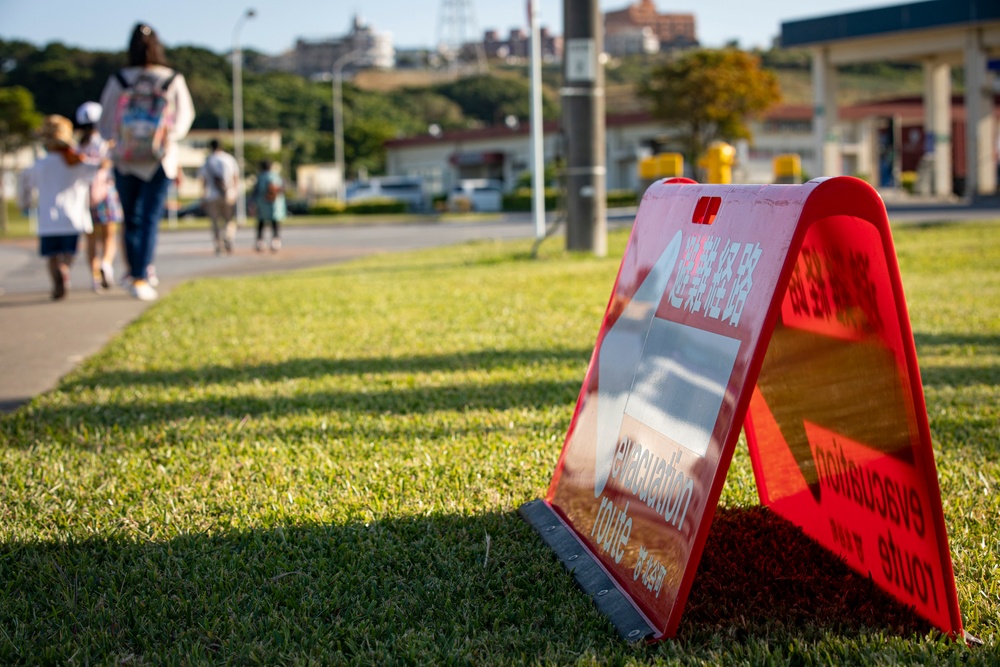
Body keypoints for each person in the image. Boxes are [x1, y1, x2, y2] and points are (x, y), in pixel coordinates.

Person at [98, 23, 194, 301]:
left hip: (126, 159)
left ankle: (134, 272)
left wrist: (120, 139)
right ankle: (143, 273)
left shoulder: (120, 79)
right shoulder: (171, 78)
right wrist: (166, 138)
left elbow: (105, 122)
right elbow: (185, 118)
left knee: (132, 219)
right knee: (150, 219)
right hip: (159, 158)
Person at [18, 115, 104, 300]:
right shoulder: (77, 163)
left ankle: (58, 273)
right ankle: (65, 269)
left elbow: (24, 183)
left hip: (47, 220)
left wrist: (24, 203)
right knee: (68, 253)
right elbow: (98, 168)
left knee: (51, 256)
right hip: (72, 218)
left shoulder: (39, 164)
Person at [75, 101, 123, 291]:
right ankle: (106, 263)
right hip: (106, 192)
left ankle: (95, 276)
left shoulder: (78, 146)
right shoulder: (107, 142)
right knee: (109, 235)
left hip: (85, 195)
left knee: (91, 239)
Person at [200, 139, 239, 255]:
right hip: (228, 194)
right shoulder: (229, 159)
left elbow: (204, 180)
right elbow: (235, 177)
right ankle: (228, 237)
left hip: (212, 195)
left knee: (215, 222)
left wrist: (203, 196)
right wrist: (234, 191)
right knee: (229, 219)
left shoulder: (207, 161)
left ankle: (219, 245)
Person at [251, 159, 286, 252]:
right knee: (274, 223)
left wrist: (252, 203)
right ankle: (275, 242)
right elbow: (282, 188)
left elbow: (255, 191)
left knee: (262, 223)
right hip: (274, 203)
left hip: (263, 203)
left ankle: (261, 242)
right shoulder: (276, 176)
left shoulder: (261, 177)